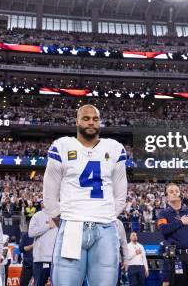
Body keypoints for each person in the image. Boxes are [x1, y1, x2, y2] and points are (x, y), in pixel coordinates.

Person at [43, 105, 128, 286]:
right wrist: (65, 218)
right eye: (86, 118)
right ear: (77, 121)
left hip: (105, 227)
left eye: (95, 119)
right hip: (72, 226)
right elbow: (49, 194)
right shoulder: (62, 146)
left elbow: (121, 195)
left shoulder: (114, 148)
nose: (91, 122)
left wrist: (104, 215)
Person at [157, 184, 188, 286]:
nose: (175, 193)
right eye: (171, 191)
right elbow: (163, 230)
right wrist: (181, 222)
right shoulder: (163, 213)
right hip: (177, 257)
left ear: (180, 194)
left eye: (176, 191)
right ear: (167, 196)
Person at [28, 201, 58, 286]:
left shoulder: (60, 216)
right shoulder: (37, 216)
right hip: (41, 260)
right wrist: (48, 226)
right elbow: (31, 232)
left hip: (56, 260)